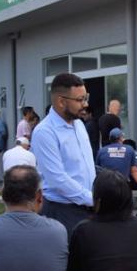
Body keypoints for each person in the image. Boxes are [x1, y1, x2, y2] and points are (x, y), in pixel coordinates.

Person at [32, 73, 96, 237]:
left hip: (88, 207)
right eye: (80, 100)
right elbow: (57, 179)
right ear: (61, 101)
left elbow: (85, 166)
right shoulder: (45, 132)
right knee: (69, 261)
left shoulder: (79, 125)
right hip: (62, 212)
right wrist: (93, 198)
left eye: (85, 98)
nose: (85, 104)